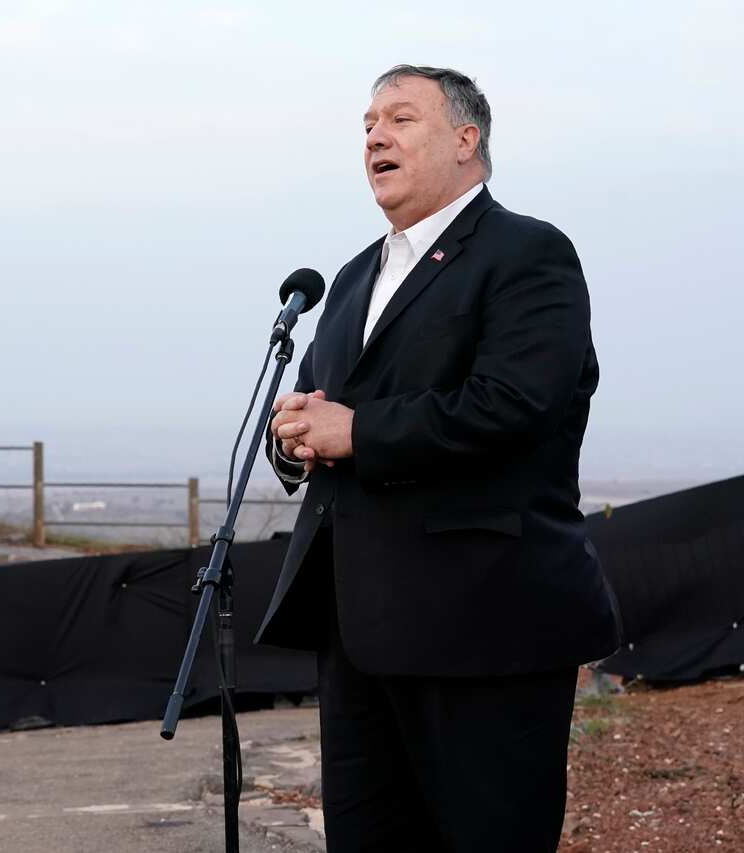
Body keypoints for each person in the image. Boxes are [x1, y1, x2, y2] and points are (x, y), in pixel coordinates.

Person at [258, 66, 621, 852]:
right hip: (359, 633)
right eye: (366, 125)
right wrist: (292, 435)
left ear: (467, 139)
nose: (375, 137)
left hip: (485, 626)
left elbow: (516, 406)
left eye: (400, 119)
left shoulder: (527, 253)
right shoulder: (354, 276)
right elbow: (320, 405)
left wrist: (355, 432)